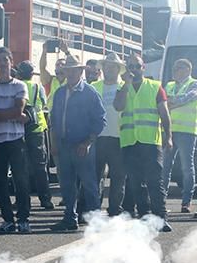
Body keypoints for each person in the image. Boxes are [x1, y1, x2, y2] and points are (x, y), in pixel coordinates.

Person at [115, 53, 172, 232]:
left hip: (150, 141)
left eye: (136, 66)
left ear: (143, 67)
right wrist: (126, 85)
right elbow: (118, 106)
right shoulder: (123, 87)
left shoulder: (155, 87)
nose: (133, 70)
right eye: (130, 66)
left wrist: (168, 136)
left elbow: (164, 113)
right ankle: (145, 216)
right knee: (135, 182)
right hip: (130, 142)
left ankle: (160, 218)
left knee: (155, 182)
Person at [49, 55, 106, 231]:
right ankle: (69, 218)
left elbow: (100, 121)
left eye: (75, 70)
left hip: (82, 145)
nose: (71, 73)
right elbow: (54, 119)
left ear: (81, 71)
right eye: (68, 70)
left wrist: (88, 142)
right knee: (67, 184)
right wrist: (54, 143)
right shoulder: (59, 92)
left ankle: (96, 220)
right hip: (64, 144)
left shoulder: (90, 93)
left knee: (89, 184)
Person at [0, 47, 32, 233]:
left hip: (15, 139)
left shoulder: (20, 86)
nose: (2, 63)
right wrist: (10, 114)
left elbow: (17, 111)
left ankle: (24, 218)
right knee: (0, 182)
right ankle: (8, 220)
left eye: (5, 60)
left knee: (21, 180)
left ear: (11, 62)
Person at [162, 58, 197, 213]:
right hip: (170, 131)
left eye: (177, 68)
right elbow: (164, 101)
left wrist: (171, 101)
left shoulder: (195, 84)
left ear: (187, 69)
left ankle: (186, 202)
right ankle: (161, 200)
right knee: (165, 167)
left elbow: (187, 98)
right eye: (173, 68)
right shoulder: (170, 85)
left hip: (187, 132)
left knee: (187, 167)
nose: (174, 71)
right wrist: (172, 101)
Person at [15, 61, 55, 211]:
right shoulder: (37, 87)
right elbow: (44, 104)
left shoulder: (16, 86)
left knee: (21, 167)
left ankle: (22, 200)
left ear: (19, 73)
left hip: (20, 129)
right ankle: (45, 199)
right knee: (40, 167)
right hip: (37, 129)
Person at [94, 53, 127, 216]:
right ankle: (94, 207)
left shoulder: (124, 87)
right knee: (96, 175)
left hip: (119, 137)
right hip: (98, 137)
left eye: (113, 66)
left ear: (118, 69)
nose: (109, 69)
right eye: (106, 66)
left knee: (118, 176)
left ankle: (115, 209)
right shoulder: (94, 86)